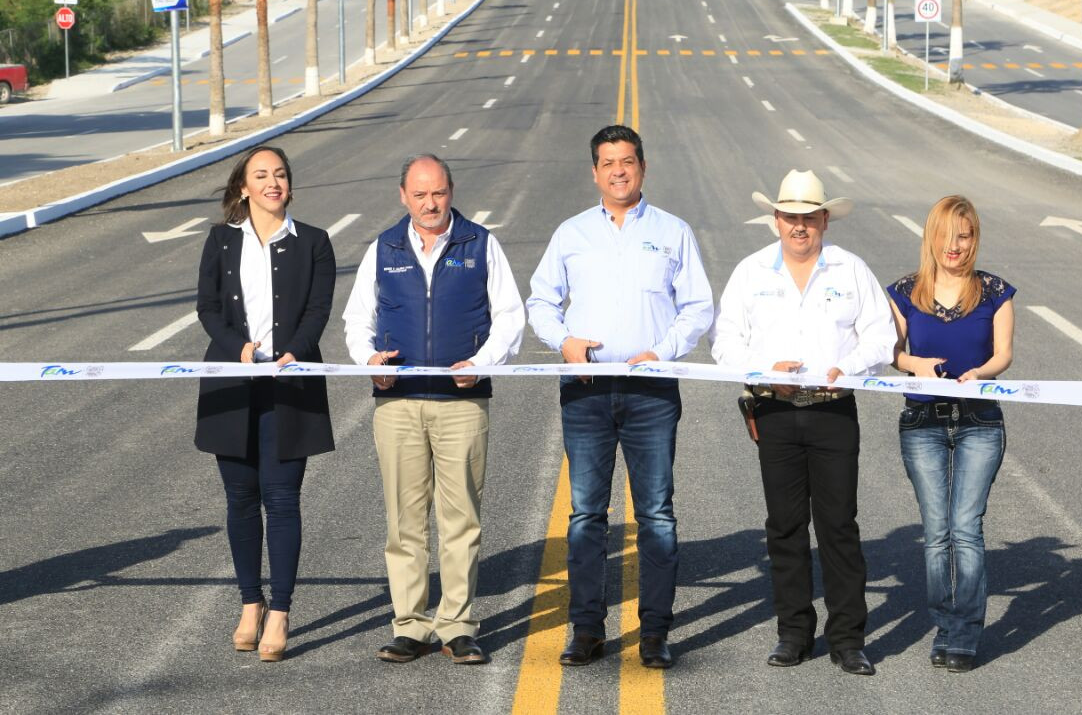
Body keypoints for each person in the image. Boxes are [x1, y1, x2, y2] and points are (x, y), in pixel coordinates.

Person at [527, 124, 713, 669]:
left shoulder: (674, 231)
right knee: (586, 515)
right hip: (585, 392)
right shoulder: (571, 233)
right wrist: (563, 341)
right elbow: (541, 301)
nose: (618, 171)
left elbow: (698, 306)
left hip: (650, 392)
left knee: (656, 514)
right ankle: (586, 629)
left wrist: (665, 349)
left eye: (627, 161)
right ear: (594, 172)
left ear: (643, 167)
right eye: (607, 163)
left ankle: (655, 632)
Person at [711, 169, 895, 676]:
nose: (799, 227)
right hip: (773, 410)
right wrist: (762, 372)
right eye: (790, 217)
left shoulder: (851, 269)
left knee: (838, 526)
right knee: (785, 527)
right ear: (775, 221)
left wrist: (849, 368)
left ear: (824, 221)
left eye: (809, 218)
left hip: (833, 410)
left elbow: (880, 337)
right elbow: (725, 342)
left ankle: (848, 639)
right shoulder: (750, 273)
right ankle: (793, 633)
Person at [342, 154, 524, 665]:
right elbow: (358, 318)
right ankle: (410, 625)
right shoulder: (385, 247)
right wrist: (369, 360)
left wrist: (483, 362)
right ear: (403, 195)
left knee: (460, 518)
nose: (430, 203)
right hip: (397, 403)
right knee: (404, 521)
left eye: (438, 193)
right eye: (419, 194)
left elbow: (510, 315)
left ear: (451, 191)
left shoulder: (480, 243)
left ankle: (458, 625)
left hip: (461, 402)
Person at [195, 145, 336, 662]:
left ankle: (280, 610)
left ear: (289, 186)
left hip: (289, 383)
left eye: (280, 174)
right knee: (239, 499)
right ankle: (249, 604)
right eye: (262, 175)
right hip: (232, 382)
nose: (273, 182)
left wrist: (293, 353)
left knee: (281, 499)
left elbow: (319, 308)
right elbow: (207, 307)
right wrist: (241, 350)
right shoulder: (220, 240)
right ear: (243, 189)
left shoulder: (314, 242)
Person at [885, 195, 1015, 674]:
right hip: (923, 422)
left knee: (966, 528)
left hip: (980, 421)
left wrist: (983, 371)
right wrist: (912, 363)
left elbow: (1004, 354)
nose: (953, 246)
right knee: (937, 533)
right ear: (931, 238)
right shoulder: (904, 292)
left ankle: (965, 632)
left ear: (974, 238)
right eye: (945, 236)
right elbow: (892, 351)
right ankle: (944, 623)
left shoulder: (996, 291)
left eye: (963, 235)